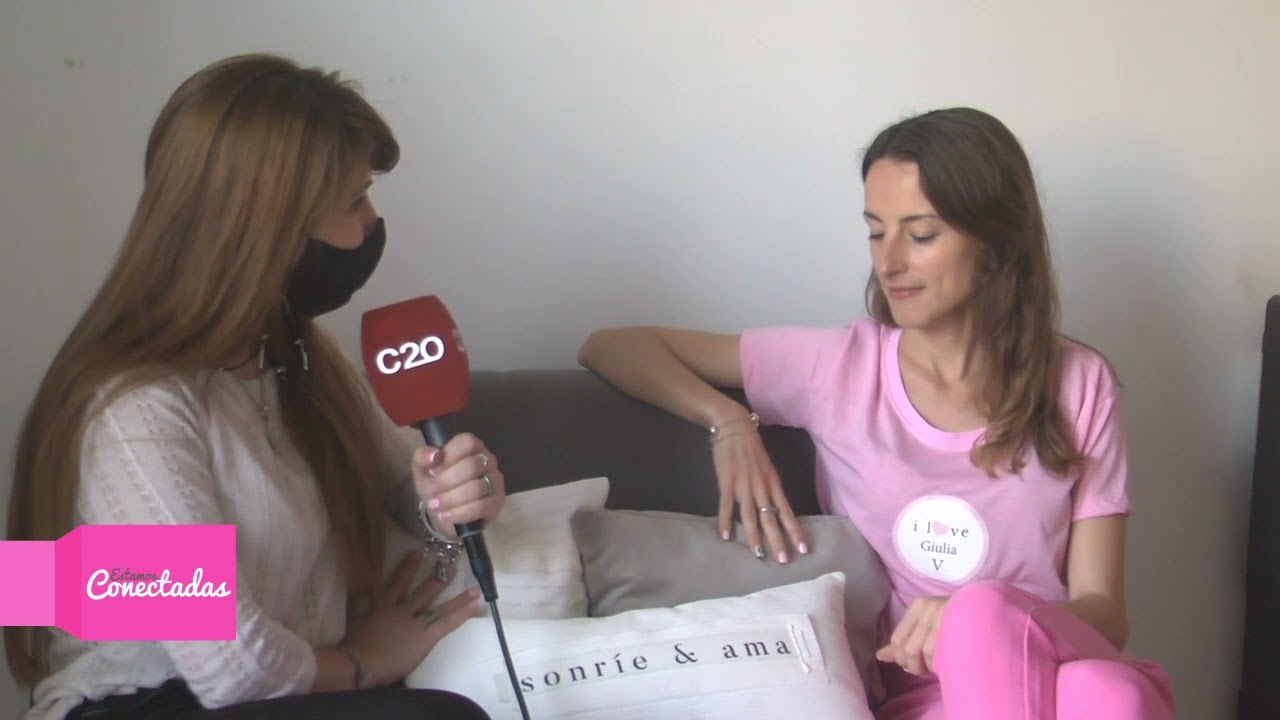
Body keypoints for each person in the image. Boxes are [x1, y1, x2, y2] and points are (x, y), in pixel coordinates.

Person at [578, 107, 1177, 719]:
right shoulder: (839, 367)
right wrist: (727, 421)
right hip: (930, 697)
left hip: (1060, 673)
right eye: (875, 232)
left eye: (921, 235)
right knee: (1106, 695)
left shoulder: (1080, 383)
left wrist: (985, 616)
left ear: (996, 243)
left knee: (1103, 688)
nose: (888, 262)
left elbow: (1105, 615)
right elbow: (611, 346)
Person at [5, 53, 504, 720]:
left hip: (276, 690)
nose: (370, 225)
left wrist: (446, 500)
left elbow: (401, 489)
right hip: (147, 704)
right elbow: (228, 668)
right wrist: (365, 661)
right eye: (354, 200)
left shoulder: (294, 356)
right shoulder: (132, 407)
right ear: (266, 226)